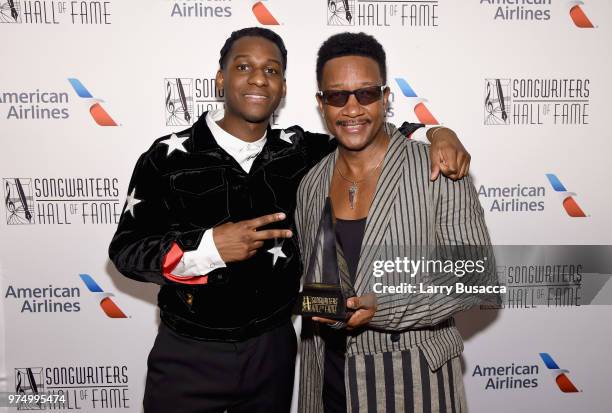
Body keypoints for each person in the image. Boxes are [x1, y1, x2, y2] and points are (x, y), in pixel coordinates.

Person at [108, 27, 471, 413]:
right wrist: (209, 248)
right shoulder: (167, 157)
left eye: (272, 70)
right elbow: (127, 251)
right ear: (221, 78)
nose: (258, 78)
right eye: (243, 66)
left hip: (274, 353)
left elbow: (363, 127)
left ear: (282, 86)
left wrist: (436, 132)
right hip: (189, 354)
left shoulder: (301, 152)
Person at [295, 32, 496, 412]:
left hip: (413, 387)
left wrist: (384, 306)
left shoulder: (436, 169)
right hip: (327, 386)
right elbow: (318, 284)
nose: (352, 108)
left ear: (386, 98)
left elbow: (476, 278)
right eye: (338, 96)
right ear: (321, 104)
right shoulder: (311, 184)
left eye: (366, 94)